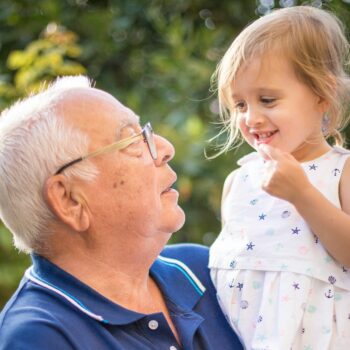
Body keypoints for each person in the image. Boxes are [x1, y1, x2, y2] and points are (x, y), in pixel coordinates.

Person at [0, 76, 243, 349]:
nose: (165, 148)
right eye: (132, 140)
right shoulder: (37, 338)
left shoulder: (206, 269)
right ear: (69, 200)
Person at [208, 5, 350, 350]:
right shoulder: (238, 182)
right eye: (240, 105)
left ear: (322, 94)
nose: (251, 118)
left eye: (267, 99)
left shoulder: (341, 172)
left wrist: (302, 194)